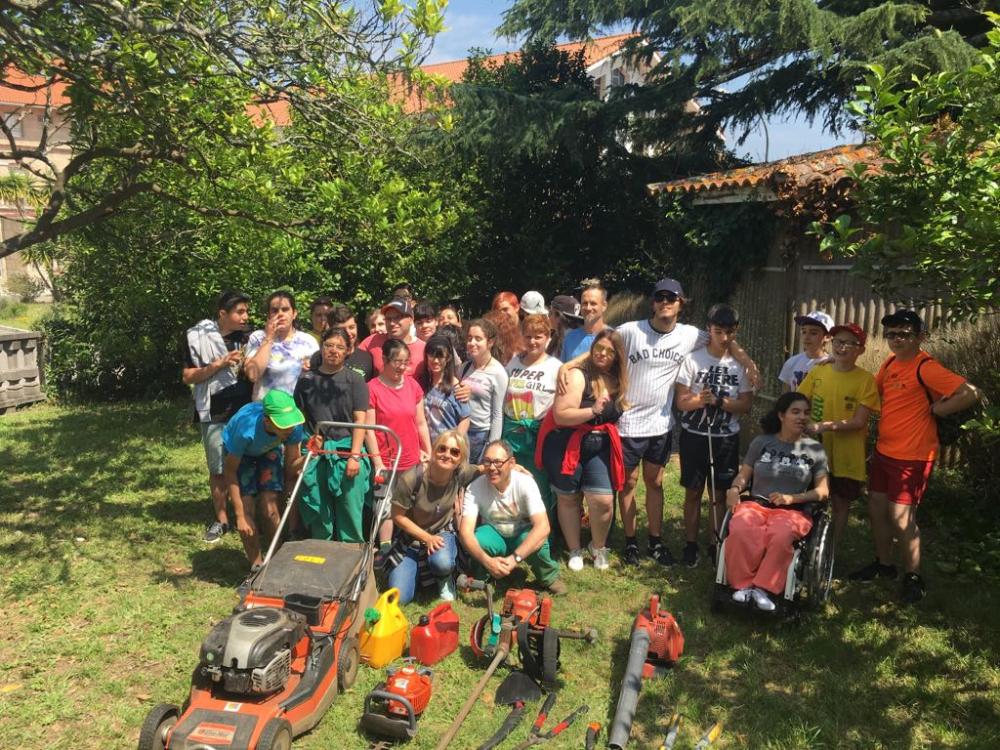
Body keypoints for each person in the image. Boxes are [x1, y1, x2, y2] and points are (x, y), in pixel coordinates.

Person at [613, 278, 759, 567]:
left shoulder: (691, 335)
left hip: (660, 424)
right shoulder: (629, 331)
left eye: (672, 297)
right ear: (652, 302)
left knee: (654, 483)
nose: (665, 302)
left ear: (682, 303)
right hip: (627, 423)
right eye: (660, 297)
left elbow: (725, 337)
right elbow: (601, 349)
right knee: (628, 483)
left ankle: (655, 541)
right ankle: (630, 541)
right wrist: (571, 368)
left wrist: (749, 365)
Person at [849, 310, 980, 603]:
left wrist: (938, 410)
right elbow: (874, 390)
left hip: (914, 456)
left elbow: (971, 392)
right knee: (877, 510)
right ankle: (884, 566)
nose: (896, 340)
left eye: (904, 334)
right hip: (884, 452)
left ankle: (913, 576)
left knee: (901, 518)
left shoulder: (926, 367)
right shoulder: (891, 363)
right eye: (892, 334)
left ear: (919, 337)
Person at [723, 392, 830, 611]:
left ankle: (764, 589)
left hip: (792, 510)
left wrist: (793, 497)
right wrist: (734, 489)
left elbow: (823, 491)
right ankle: (742, 586)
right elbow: (745, 474)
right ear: (781, 415)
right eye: (795, 412)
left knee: (780, 535)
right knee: (742, 528)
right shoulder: (762, 442)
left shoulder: (815, 450)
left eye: (806, 413)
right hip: (757, 504)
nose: (802, 417)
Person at [540, 329, 628, 571]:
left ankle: (598, 546)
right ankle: (575, 549)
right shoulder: (579, 376)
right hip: (567, 444)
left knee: (603, 500)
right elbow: (561, 414)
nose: (603, 354)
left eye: (610, 351)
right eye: (599, 348)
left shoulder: (618, 379)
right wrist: (593, 411)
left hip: (600, 446)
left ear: (617, 357)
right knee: (568, 498)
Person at [674, 304, 754, 567]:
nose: (724, 337)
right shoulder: (693, 359)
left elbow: (745, 405)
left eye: (729, 332)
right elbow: (681, 402)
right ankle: (690, 544)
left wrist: (720, 403)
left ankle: (715, 542)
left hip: (726, 438)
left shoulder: (740, 364)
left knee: (719, 494)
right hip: (695, 435)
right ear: (709, 329)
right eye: (718, 331)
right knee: (694, 492)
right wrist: (700, 400)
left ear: (735, 332)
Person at [797, 322, 880, 545]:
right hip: (815, 450)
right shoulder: (819, 371)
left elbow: (859, 421)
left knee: (840, 503)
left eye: (849, 344)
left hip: (847, 456)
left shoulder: (866, 380)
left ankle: (830, 551)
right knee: (810, 498)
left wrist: (823, 425)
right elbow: (799, 400)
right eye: (838, 342)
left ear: (860, 349)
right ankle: (803, 544)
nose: (842, 348)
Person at [182, 290, 251, 543]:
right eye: (240, 312)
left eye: (247, 311)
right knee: (218, 468)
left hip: (245, 410)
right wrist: (218, 365)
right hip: (214, 410)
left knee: (246, 465)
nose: (245, 316)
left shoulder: (249, 337)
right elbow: (188, 376)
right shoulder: (197, 337)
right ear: (223, 314)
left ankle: (247, 515)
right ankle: (221, 520)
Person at [293, 328, 373, 542]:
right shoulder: (307, 380)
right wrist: (309, 443)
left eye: (340, 347)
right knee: (320, 513)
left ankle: (353, 563)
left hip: (348, 450)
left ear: (348, 351)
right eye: (329, 345)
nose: (333, 351)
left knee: (350, 512)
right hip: (318, 452)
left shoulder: (355, 380)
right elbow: (301, 417)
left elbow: (360, 421)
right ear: (322, 347)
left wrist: (355, 456)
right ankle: (321, 561)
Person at [459, 440, 567, 595]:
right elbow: (465, 532)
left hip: (521, 534)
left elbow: (543, 527)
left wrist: (513, 559)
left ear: (511, 463)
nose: (492, 468)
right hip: (495, 535)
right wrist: (487, 561)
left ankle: (548, 577)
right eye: (487, 462)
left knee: (537, 539)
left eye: (497, 462)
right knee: (478, 539)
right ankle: (481, 577)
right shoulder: (475, 487)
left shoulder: (525, 482)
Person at [387, 430, 478, 604]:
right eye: (442, 449)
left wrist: (513, 467)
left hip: (442, 533)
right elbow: (397, 516)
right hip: (411, 541)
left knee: (442, 562)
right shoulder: (412, 478)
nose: (447, 455)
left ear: (461, 458)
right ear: (433, 450)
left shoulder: (460, 474)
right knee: (399, 598)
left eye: (454, 452)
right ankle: (420, 574)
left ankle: (444, 578)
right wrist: (426, 538)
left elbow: (485, 468)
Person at [222, 390, 307, 568]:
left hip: (268, 450)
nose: (289, 428)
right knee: (246, 510)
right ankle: (256, 565)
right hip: (241, 455)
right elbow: (230, 472)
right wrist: (239, 516)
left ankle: (277, 560)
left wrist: (309, 455)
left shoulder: (293, 427)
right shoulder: (245, 429)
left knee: (270, 506)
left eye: (290, 424)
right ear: (267, 421)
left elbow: (291, 467)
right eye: (283, 425)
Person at [503, 313, 561, 520]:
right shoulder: (513, 364)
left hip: (539, 434)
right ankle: (515, 528)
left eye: (538, 336)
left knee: (539, 484)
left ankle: (544, 534)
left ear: (548, 337)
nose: (533, 341)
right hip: (511, 431)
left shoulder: (556, 367)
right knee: (512, 481)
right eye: (528, 336)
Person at [244, 291, 318, 399]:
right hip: (265, 410)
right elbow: (253, 375)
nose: (280, 314)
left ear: (294, 313)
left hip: (296, 411)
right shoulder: (258, 337)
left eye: (285, 309)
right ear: (269, 315)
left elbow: (320, 377)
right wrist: (269, 338)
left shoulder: (308, 341)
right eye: (275, 310)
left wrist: (312, 368)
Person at [459, 318, 509, 462]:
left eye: (478, 339)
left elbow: (498, 413)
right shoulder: (464, 368)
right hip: (463, 431)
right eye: (469, 338)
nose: (472, 343)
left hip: (481, 435)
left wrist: (492, 446)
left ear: (490, 342)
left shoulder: (498, 372)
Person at [420, 333, 470, 443]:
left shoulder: (456, 387)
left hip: (450, 448)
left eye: (440, 356)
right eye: (432, 355)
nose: (436, 361)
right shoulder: (423, 384)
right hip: (431, 447)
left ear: (448, 358)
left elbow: (465, 419)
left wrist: (455, 442)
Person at [358, 298, 425, 377]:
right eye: (388, 319)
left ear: (410, 320)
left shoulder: (424, 349)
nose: (392, 323)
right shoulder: (372, 341)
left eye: (397, 318)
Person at [778, 310, 834, 392]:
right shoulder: (791, 362)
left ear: (827, 337)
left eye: (813, 333)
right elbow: (786, 396)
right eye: (804, 332)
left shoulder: (832, 364)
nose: (806, 337)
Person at [561, 279, 610, 361]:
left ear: (604, 306)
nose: (588, 308)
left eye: (593, 303)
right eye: (584, 303)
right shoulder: (570, 338)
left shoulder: (613, 338)